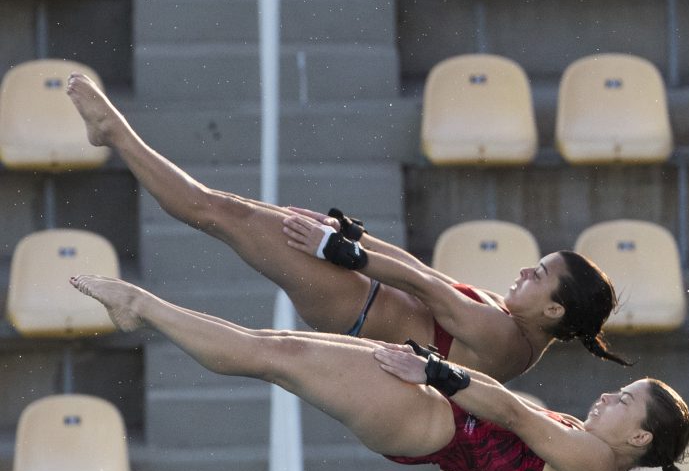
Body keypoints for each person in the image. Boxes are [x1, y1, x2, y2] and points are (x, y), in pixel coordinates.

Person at [64, 72, 629, 383]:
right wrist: (347, 238)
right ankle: (117, 145)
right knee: (225, 211)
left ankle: (113, 135)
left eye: (541, 274)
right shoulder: (514, 330)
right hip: (361, 299)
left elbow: (423, 286)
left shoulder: (508, 338)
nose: (527, 268)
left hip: (353, 306)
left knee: (215, 212)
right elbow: (419, 273)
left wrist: (343, 251)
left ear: (554, 310)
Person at [70, 275, 689, 471]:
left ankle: (142, 305)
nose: (608, 396)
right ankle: (145, 307)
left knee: (274, 356)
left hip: (428, 422)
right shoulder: (588, 452)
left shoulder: (593, 463)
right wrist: (439, 378)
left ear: (639, 438)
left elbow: (505, 410)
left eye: (623, 400)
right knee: (275, 349)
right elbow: (501, 423)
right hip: (435, 416)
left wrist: (436, 375)